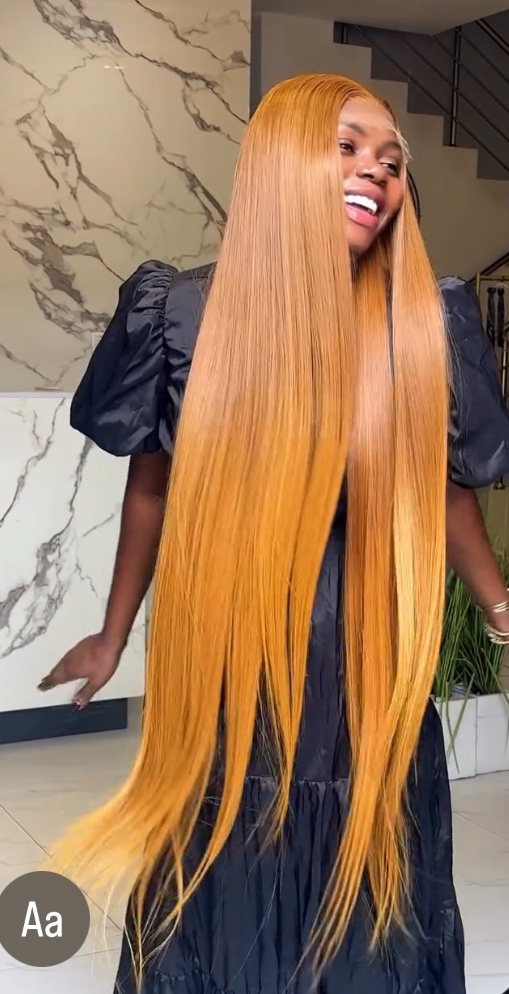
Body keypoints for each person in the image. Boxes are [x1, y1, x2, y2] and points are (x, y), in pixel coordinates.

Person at [41, 74, 509, 994]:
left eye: (391, 161)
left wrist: (499, 607)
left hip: (368, 648)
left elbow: (447, 492)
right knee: (225, 845)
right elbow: (153, 484)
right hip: (230, 646)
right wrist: (112, 632)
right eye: (347, 147)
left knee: (370, 871)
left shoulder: (421, 320)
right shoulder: (181, 312)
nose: (376, 171)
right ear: (280, 159)